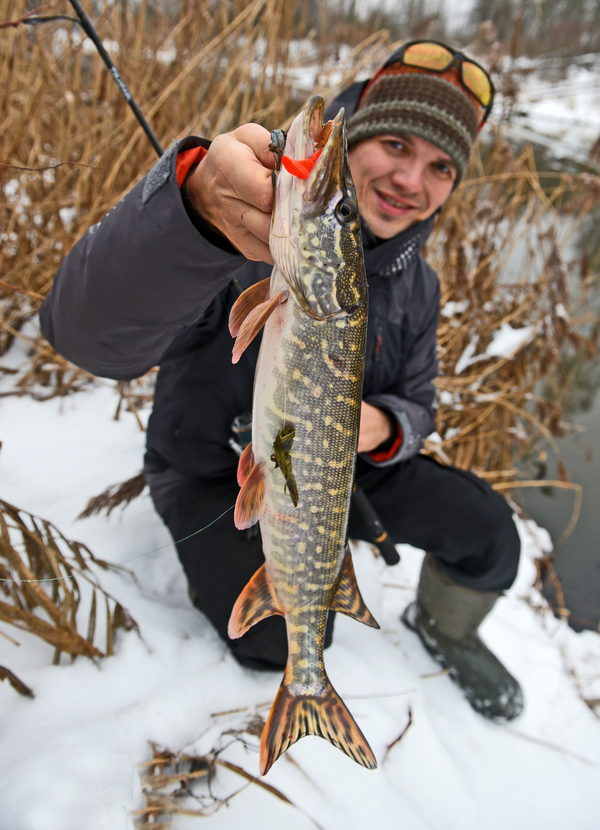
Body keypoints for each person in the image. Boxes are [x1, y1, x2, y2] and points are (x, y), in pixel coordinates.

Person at [40, 40, 523, 721]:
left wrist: (381, 425)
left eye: (440, 165)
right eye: (393, 143)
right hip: (211, 467)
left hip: (331, 463)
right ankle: (305, 604)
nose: (411, 180)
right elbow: (85, 335)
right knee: (280, 635)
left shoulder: (420, 284)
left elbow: (419, 404)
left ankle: (445, 625)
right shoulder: (250, 230)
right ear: (355, 133)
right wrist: (193, 218)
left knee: (494, 535)